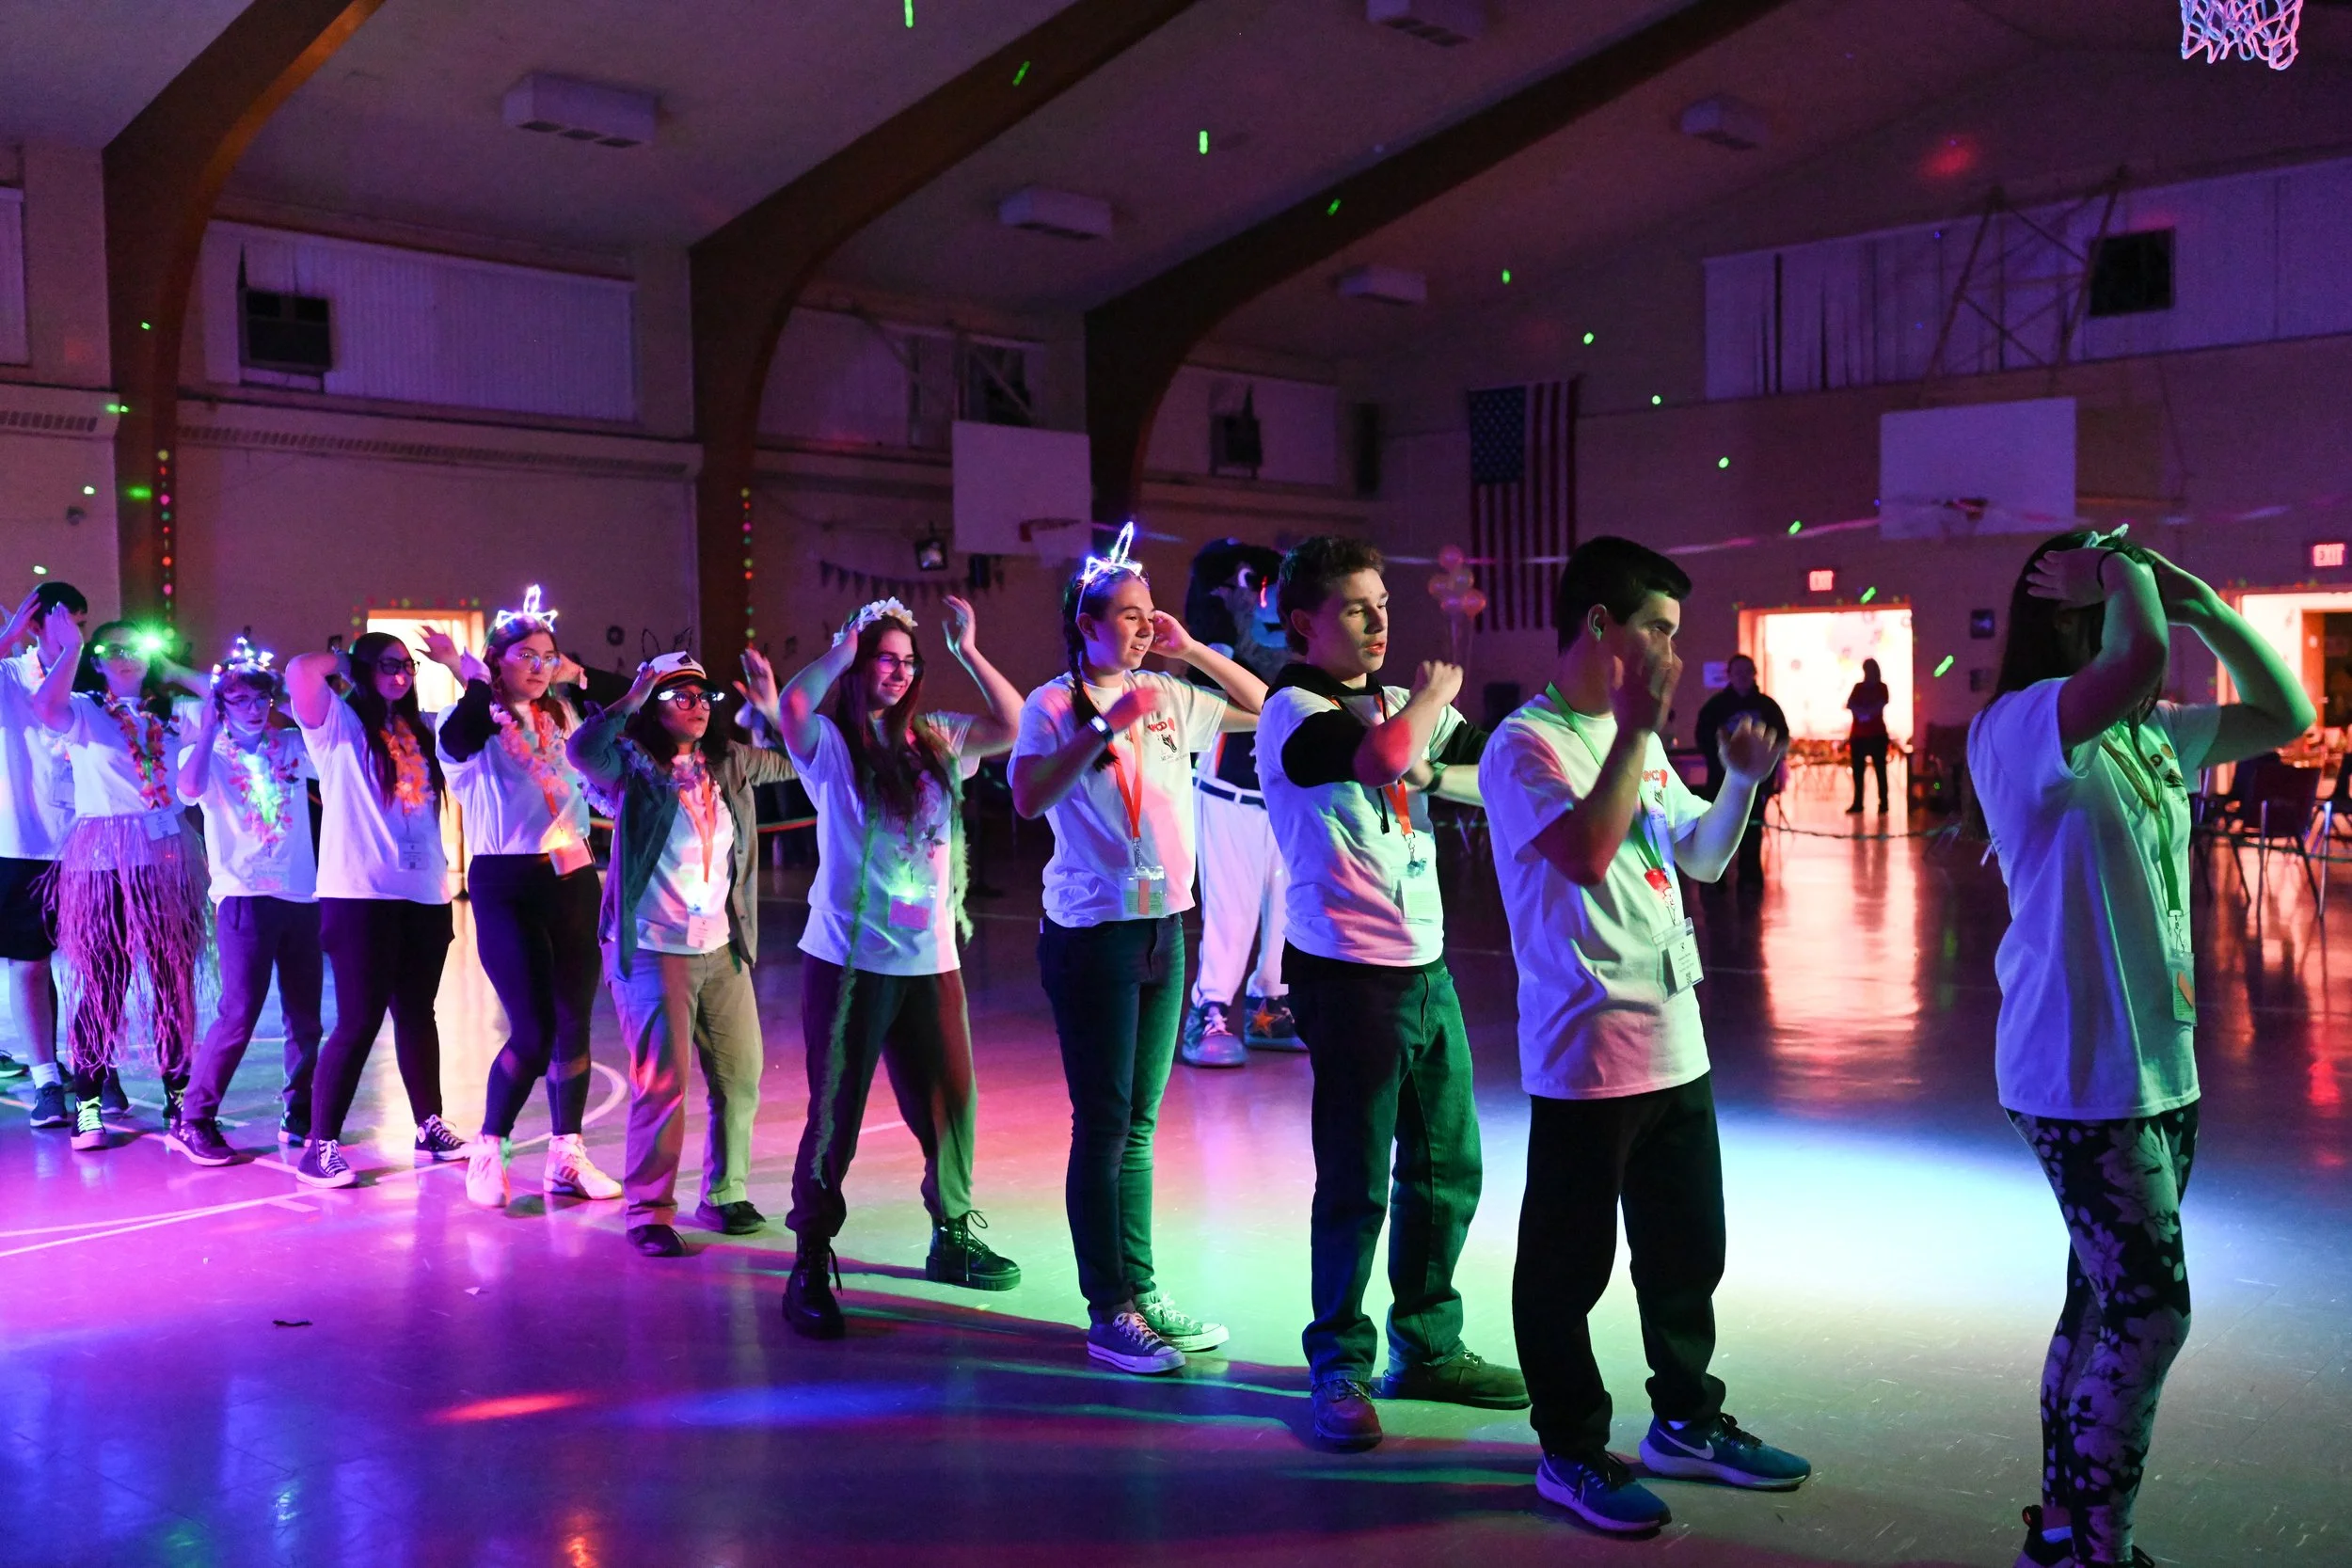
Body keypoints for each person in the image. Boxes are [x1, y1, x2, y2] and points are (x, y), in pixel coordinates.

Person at [1967, 533, 2310, 1568]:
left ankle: (2065, 1530)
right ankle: (2095, 1550)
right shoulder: (2021, 724)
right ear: (2074, 606)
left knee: (2103, 1297)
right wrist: (2125, 574)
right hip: (2075, 1070)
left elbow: (2285, 715)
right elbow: (2135, 659)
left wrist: (2202, 604)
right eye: (2118, 587)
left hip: (2157, 1065)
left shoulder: (2147, 733)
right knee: (2151, 1313)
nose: (2137, 597)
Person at [1480, 537, 1809, 1534]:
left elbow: (1699, 861)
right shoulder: (1524, 744)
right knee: (1565, 1264)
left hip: (1677, 1037)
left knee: (1684, 1250)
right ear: (1600, 625)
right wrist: (1632, 732)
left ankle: (1685, 1420)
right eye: (1657, 627)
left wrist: (1743, 783)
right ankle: (1570, 1447)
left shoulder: (1644, 739)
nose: (1672, 647)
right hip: (1587, 1047)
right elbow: (1582, 854)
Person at [1254, 534, 1524, 1451]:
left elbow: (1487, 764)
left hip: (1426, 966)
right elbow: (1376, 761)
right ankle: (1338, 1361)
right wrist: (1436, 704)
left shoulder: (1398, 705)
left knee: (1446, 1169)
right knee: (1358, 1178)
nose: (1377, 621)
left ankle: (1428, 1344)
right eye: (1356, 607)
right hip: (1347, 976)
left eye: (1382, 603)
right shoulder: (1292, 708)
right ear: (1303, 621)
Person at [1009, 524, 1265, 1375]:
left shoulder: (1165, 687)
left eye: (1150, 614)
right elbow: (1026, 796)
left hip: (1166, 925)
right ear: (1084, 625)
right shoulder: (1053, 704)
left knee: (1143, 1126)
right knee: (1106, 1121)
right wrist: (1104, 726)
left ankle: (1144, 1291)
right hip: (1092, 932)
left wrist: (1195, 650)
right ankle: (1108, 1307)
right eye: (1125, 615)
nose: (1142, 628)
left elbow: (1265, 707)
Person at [774, 595, 1024, 1338]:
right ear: (858, 663)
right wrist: (841, 653)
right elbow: (791, 702)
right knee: (836, 1111)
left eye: (908, 661)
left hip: (930, 956)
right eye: (886, 657)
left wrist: (969, 651)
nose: (899, 670)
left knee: (952, 1099)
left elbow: (1010, 725)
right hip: (851, 957)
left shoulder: (938, 737)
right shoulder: (831, 742)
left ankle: (952, 1231)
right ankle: (811, 1256)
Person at [569, 648, 795, 1259]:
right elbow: (582, 751)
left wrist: (774, 708)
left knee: (741, 1076)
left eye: (703, 696)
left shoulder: (729, 763)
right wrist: (632, 698)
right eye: (680, 696)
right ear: (655, 706)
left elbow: (800, 761)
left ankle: (725, 1192)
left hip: (721, 948)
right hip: (652, 949)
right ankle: (649, 1208)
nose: (697, 706)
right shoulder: (630, 768)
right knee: (663, 1085)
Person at [430, 589, 623, 1210]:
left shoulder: (563, 719)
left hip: (572, 878)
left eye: (548, 656)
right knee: (534, 1028)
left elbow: (618, 705)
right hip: (505, 883)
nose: (539, 666)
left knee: (573, 1024)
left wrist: (581, 673)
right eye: (526, 655)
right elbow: (462, 731)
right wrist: (474, 679)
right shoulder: (470, 725)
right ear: (496, 660)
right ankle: (490, 1144)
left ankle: (567, 1152)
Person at [285, 631, 462, 1188]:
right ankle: (320, 1145)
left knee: (417, 1013)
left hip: (424, 893)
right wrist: (347, 659)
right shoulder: (338, 726)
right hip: (360, 895)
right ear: (364, 669)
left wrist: (456, 665)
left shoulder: (423, 728)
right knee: (358, 1020)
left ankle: (428, 1122)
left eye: (408, 666)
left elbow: (480, 709)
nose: (402, 674)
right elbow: (298, 668)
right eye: (388, 665)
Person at [30, 619, 212, 1153]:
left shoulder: (172, 712)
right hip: (103, 865)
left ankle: (180, 1098)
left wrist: (171, 667)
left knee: (172, 981)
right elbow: (44, 706)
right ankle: (87, 1102)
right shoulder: (85, 710)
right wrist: (76, 648)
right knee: (103, 982)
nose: (126, 658)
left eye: (136, 649)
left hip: (165, 861)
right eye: (114, 650)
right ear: (99, 659)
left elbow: (222, 695)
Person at [167, 639, 324, 1165]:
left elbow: (336, 761)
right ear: (223, 705)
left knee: (306, 1017)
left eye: (261, 699)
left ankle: (298, 1108)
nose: (254, 709)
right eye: (241, 701)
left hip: (301, 894)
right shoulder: (203, 754)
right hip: (243, 898)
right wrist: (210, 728)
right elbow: (187, 791)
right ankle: (195, 1118)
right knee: (239, 1013)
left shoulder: (292, 747)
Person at [1178, 538, 1299, 1068]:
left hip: (1287, 791)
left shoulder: (1287, 645)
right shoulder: (1218, 653)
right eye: (1246, 584)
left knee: (1290, 905)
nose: (1259, 596)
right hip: (1230, 788)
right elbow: (1236, 686)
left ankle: (1270, 1000)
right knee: (1233, 905)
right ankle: (1210, 1007)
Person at [0, 583, 86, 1128]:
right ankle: (45, 1080)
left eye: (79, 621)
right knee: (29, 964)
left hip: (92, 846)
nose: (71, 632)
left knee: (96, 965)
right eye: (59, 621)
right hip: (24, 843)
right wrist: (5, 639)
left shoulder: (90, 680)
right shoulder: (9, 676)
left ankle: (97, 1066)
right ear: (35, 626)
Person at [1692, 656, 1787, 888]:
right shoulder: (1716, 707)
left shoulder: (1768, 707)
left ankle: (1750, 877)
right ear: (1730, 675)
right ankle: (1716, 877)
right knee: (1719, 826)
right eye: (1738, 672)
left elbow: (1781, 738)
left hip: (1758, 783)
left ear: (1754, 673)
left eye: (1747, 671)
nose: (1743, 676)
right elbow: (1703, 737)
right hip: (1720, 780)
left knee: (1752, 829)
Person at [1846, 657, 1892, 815]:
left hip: (1877, 734)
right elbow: (1850, 704)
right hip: (1858, 735)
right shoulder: (1858, 687)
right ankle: (1858, 802)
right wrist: (1862, 713)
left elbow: (1881, 703)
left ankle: (1883, 802)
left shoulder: (1882, 687)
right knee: (1858, 772)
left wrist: (1866, 714)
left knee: (1880, 770)